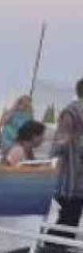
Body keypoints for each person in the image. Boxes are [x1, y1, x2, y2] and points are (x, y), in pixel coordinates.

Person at [49, 79, 83, 241]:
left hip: (71, 180)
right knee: (68, 221)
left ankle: (51, 250)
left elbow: (58, 146)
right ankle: (51, 250)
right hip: (72, 179)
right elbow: (61, 144)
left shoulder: (70, 112)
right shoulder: (72, 112)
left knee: (67, 221)